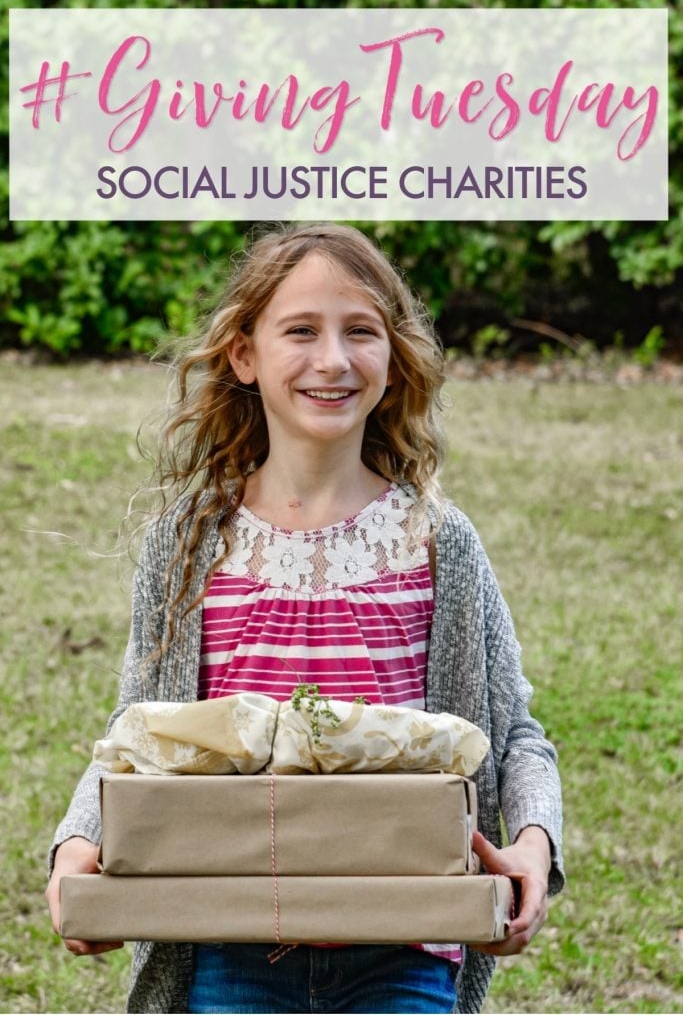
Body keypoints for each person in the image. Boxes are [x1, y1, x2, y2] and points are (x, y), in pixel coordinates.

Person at [46, 222, 564, 1014]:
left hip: (402, 947)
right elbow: (136, 734)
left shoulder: (435, 542)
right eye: (300, 331)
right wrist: (79, 843)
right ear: (243, 355)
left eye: (361, 331)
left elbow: (516, 732)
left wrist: (531, 845)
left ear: (392, 362)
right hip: (225, 947)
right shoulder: (190, 543)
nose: (333, 360)